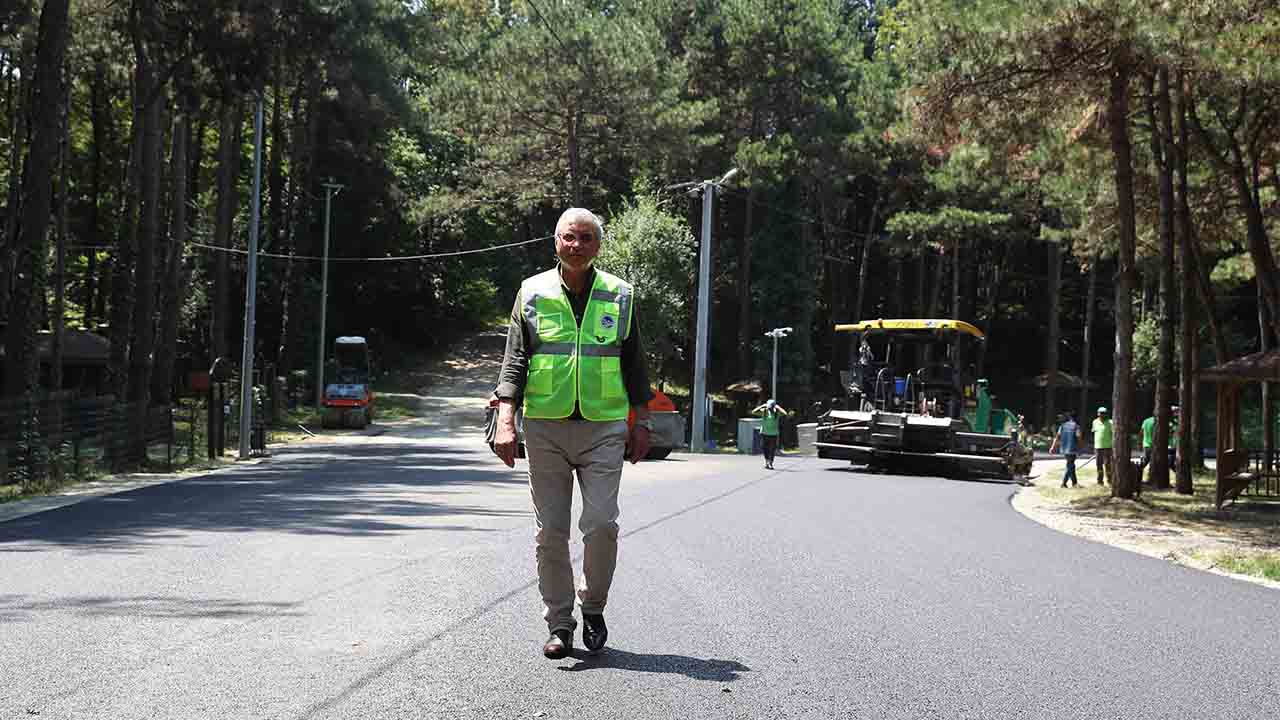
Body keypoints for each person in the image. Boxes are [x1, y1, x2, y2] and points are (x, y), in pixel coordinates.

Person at [492, 208, 653, 660]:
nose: (576, 245)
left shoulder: (620, 294)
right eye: (569, 237)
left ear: (598, 245)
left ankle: (594, 606)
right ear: (555, 242)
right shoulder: (532, 291)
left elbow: (634, 362)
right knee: (551, 532)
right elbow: (515, 360)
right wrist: (507, 420)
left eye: (586, 238)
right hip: (545, 426)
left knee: (601, 525)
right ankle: (560, 623)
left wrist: (640, 421)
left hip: (603, 426)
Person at [752, 399, 788, 469]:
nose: (770, 408)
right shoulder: (764, 411)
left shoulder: (777, 412)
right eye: (769, 407)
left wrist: (778, 407)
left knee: (772, 449)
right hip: (764, 433)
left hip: (773, 434)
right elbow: (753, 412)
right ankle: (767, 462)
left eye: (771, 407)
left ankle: (770, 463)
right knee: (764, 448)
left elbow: (785, 413)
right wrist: (762, 406)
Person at [1049, 412, 1081, 488]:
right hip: (1072, 448)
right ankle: (1063, 483)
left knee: (1071, 465)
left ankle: (1074, 483)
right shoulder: (1076, 426)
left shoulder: (1062, 426)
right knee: (1070, 465)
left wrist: (1052, 447)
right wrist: (1080, 448)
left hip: (1064, 448)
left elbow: (1057, 437)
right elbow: (1078, 437)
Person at [1092, 406, 1114, 486]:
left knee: (1108, 465)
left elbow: (1113, 434)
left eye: (1104, 413)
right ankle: (1100, 481)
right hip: (1098, 447)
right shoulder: (1094, 422)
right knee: (1099, 465)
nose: (1102, 415)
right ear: (1098, 414)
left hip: (1108, 447)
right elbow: (1094, 433)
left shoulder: (1111, 422)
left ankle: (1110, 480)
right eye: (1101, 413)